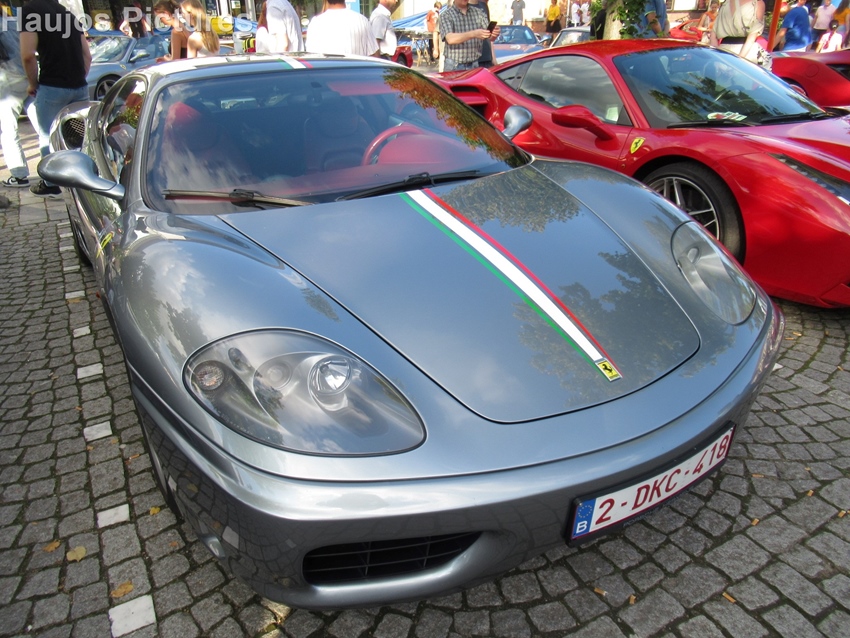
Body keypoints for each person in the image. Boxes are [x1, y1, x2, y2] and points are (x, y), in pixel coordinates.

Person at [20, 0, 92, 198]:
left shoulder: (30, 11)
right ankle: (83, 179)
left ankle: (52, 184)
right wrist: (79, 77)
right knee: (78, 136)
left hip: (52, 85)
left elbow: (27, 55)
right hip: (79, 86)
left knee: (48, 136)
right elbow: (87, 55)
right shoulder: (68, 14)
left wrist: (33, 83)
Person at [0, 18, 37, 188]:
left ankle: (19, 175)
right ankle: (60, 164)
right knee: (42, 126)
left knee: (8, 129)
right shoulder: (14, 22)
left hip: (9, 80)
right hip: (28, 76)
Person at [306, 0, 379, 57]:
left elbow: (311, 57)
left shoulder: (315, 23)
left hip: (326, 71)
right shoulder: (362, 20)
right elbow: (375, 56)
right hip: (357, 71)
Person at [441, 0, 499, 70]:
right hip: (454, 64)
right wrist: (473, 34)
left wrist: (494, 33)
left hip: (474, 64)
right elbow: (450, 39)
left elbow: (489, 37)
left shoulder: (478, 12)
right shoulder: (446, 15)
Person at [710, 0, 768, 65]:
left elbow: (713, 35)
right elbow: (752, 36)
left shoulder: (726, 3)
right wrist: (739, 60)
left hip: (724, 51)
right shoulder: (757, 3)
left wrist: (716, 55)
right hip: (746, 52)